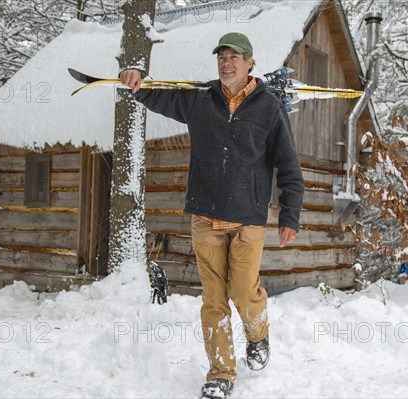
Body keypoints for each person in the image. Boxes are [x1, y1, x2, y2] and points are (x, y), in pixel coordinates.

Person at [120, 32, 304, 399]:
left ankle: (258, 334)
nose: (227, 61)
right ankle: (220, 374)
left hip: (248, 218)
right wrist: (136, 83)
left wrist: (290, 216)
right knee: (214, 300)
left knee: (243, 291)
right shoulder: (200, 100)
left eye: (235, 56)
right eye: (222, 55)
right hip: (205, 217)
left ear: (251, 63)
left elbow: (288, 165)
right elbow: (158, 96)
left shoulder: (269, 108)